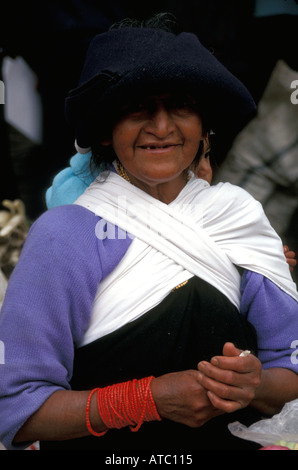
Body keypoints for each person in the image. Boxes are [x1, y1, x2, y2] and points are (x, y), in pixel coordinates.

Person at [1, 15, 298, 452]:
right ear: (104, 130)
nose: (161, 127)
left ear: (204, 126)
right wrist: (146, 400)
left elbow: (289, 371)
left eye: (180, 106)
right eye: (137, 107)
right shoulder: (64, 236)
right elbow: (15, 409)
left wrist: (252, 386)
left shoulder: (236, 218)